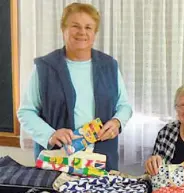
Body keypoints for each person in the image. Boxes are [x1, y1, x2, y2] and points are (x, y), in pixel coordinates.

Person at [17, 3, 132, 171]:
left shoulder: (109, 66)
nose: (82, 32)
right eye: (75, 26)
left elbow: (124, 106)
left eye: (88, 27)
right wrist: (50, 134)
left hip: (100, 158)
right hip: (58, 159)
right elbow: (26, 112)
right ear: (63, 29)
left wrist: (117, 122)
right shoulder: (45, 67)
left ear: (94, 33)